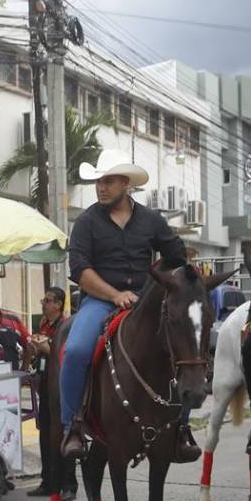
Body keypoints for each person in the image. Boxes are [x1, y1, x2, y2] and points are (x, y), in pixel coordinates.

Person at [59, 149, 195, 463]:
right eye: (98, 181)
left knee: (183, 351)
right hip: (99, 302)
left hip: (145, 302)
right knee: (76, 350)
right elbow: (80, 270)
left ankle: (181, 429)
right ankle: (73, 426)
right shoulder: (85, 222)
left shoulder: (152, 220)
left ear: (125, 183)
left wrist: (159, 280)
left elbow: (176, 254)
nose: (101, 187)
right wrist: (114, 295)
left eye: (108, 181)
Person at [26, 287, 76, 500]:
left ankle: (68, 484)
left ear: (58, 304)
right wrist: (35, 349)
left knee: (63, 433)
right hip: (45, 383)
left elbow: (65, 355)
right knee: (45, 433)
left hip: (61, 386)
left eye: (48, 301)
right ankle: (48, 481)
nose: (43, 304)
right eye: (43, 299)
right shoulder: (44, 325)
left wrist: (48, 349)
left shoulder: (66, 326)